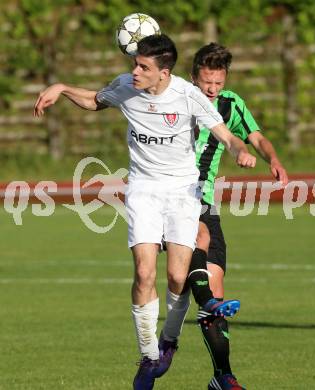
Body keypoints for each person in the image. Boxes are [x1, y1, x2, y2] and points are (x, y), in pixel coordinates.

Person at [34, 35, 256, 390]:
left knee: (178, 278)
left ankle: (169, 341)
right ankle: (150, 355)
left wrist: (239, 151)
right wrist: (61, 87)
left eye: (142, 67)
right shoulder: (127, 86)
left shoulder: (187, 95)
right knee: (144, 272)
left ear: (164, 73)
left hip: (184, 192)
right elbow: (94, 100)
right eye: (135, 64)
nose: (133, 71)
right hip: (143, 190)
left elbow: (227, 135)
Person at [158, 43, 288, 390]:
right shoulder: (176, 99)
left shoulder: (231, 104)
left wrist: (271, 160)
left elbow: (255, 138)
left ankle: (222, 377)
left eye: (218, 82)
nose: (212, 90)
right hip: (170, 199)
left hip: (206, 202)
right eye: (206, 83)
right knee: (195, 250)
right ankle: (167, 341)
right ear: (192, 77)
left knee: (213, 289)